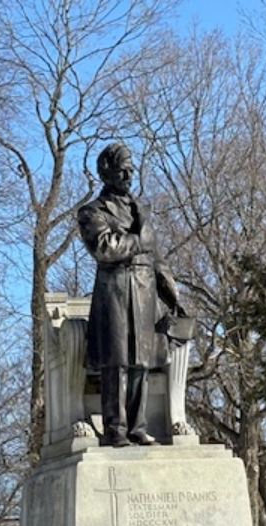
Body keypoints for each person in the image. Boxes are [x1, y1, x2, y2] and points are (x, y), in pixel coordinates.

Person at [78, 143, 181, 447]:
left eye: (131, 169)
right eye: (122, 168)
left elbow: (157, 259)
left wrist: (173, 297)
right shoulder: (92, 211)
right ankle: (115, 429)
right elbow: (104, 248)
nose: (128, 174)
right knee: (117, 362)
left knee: (141, 362)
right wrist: (139, 240)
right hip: (116, 291)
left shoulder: (140, 210)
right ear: (105, 171)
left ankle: (138, 426)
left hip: (145, 290)